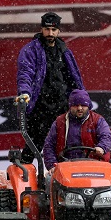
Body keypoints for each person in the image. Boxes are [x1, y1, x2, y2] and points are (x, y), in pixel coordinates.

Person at [16, 12, 85, 164]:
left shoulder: (64, 50)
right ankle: (21, 176)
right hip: (40, 104)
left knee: (67, 142)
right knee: (34, 142)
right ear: (41, 29)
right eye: (47, 29)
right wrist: (25, 93)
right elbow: (25, 74)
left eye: (53, 30)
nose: (50, 33)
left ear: (59, 31)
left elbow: (74, 77)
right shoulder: (31, 50)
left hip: (62, 104)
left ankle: (65, 177)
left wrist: (81, 97)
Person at [42, 89, 111, 173]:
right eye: (76, 105)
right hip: (66, 167)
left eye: (83, 105)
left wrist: (102, 147)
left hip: (94, 166)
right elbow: (49, 145)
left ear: (88, 106)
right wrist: (52, 165)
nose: (79, 108)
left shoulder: (98, 120)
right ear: (70, 106)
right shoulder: (59, 122)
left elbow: (106, 136)